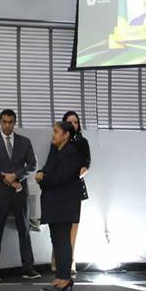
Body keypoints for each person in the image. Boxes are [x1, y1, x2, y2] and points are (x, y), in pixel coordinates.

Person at [0, 109, 40, 283]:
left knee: (24, 230)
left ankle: (28, 268)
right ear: (0, 122)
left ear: (15, 123)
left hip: (20, 193)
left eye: (10, 122)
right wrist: (6, 178)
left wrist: (15, 176)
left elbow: (32, 165)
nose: (7, 125)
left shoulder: (25, 142)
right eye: (4, 122)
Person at [36, 121, 84, 291]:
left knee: (63, 240)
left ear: (66, 135)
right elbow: (47, 170)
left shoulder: (71, 153)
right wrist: (41, 174)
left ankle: (65, 277)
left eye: (56, 131)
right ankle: (60, 275)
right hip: (55, 203)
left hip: (65, 203)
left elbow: (60, 177)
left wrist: (43, 178)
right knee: (56, 238)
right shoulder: (57, 151)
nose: (53, 134)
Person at [54, 111, 90, 277]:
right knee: (58, 225)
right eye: (70, 122)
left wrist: (76, 175)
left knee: (73, 226)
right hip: (59, 186)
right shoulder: (57, 140)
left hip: (75, 186)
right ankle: (57, 259)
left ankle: (70, 259)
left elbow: (86, 164)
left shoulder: (82, 142)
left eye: (76, 122)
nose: (73, 125)